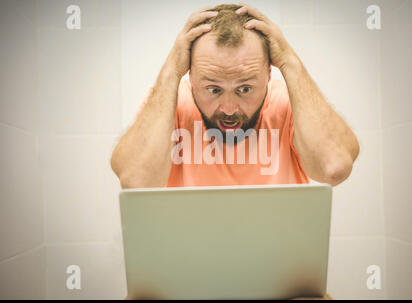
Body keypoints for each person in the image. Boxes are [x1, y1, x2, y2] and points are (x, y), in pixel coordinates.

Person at [110, 3, 359, 189]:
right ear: (191, 77)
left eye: (245, 89)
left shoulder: (287, 103)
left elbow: (334, 168)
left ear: (268, 75)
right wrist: (170, 73)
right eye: (214, 89)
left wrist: (290, 62)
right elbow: (136, 182)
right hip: (189, 258)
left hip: (281, 259)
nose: (229, 109)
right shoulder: (172, 105)